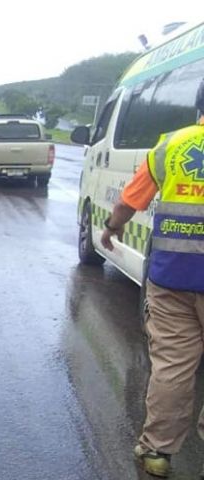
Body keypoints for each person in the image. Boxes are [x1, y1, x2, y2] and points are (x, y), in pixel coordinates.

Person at [101, 78, 204, 479]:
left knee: (173, 367)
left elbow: (131, 198)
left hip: (173, 279)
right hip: (175, 279)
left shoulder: (172, 146)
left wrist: (111, 227)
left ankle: (158, 452)